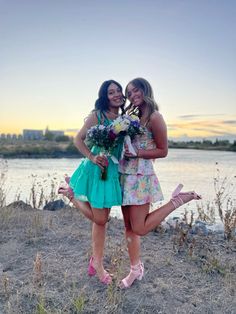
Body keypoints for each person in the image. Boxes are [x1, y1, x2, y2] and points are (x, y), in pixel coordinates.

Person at [119, 77, 201, 288]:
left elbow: (163, 150)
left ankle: (178, 200)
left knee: (140, 228)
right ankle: (135, 269)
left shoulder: (155, 117)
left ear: (145, 90)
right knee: (128, 227)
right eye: (129, 93)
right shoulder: (132, 116)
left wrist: (137, 152)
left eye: (136, 91)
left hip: (142, 177)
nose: (132, 96)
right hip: (126, 174)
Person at [58, 80, 126, 285]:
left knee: (102, 218)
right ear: (105, 96)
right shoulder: (98, 115)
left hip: (112, 170)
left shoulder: (124, 119)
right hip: (96, 168)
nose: (116, 94)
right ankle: (98, 265)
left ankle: (94, 261)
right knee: (101, 220)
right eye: (111, 92)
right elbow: (78, 139)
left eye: (118, 91)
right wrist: (92, 157)